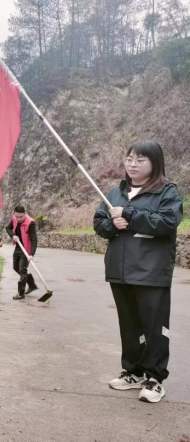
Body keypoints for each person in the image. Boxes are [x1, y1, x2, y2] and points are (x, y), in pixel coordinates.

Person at [93, 140, 183, 404]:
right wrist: (114, 224)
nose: (133, 165)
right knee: (129, 325)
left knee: (154, 328)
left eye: (140, 160)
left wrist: (130, 215)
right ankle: (133, 371)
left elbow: (168, 222)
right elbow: (99, 224)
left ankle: (154, 378)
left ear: (155, 163)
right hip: (120, 271)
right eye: (129, 159)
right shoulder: (115, 192)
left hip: (151, 272)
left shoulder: (166, 192)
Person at [5, 205, 38, 300]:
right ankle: (31, 284)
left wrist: (31, 254)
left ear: (25, 213)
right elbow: (8, 228)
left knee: (22, 270)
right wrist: (13, 235)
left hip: (26, 249)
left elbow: (34, 239)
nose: (19, 219)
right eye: (17, 217)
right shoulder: (14, 219)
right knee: (16, 267)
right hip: (18, 247)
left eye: (21, 217)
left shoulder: (30, 223)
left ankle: (21, 293)